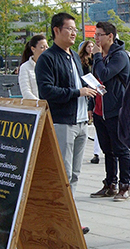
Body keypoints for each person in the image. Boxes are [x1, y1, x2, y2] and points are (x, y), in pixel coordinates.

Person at [35, 12, 97, 204]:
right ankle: (58, 215)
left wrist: (89, 100)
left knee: (75, 174)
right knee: (63, 174)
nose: (73, 33)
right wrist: (77, 93)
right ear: (56, 30)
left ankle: (70, 217)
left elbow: (82, 84)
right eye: (69, 29)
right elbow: (46, 91)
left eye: (75, 29)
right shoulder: (48, 58)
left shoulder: (75, 58)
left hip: (80, 123)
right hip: (62, 122)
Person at [88, 22, 130, 202]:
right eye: (95, 35)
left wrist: (97, 56)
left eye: (99, 35)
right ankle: (110, 184)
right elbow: (95, 81)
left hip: (116, 111)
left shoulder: (119, 56)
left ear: (110, 37)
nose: (96, 38)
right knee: (107, 150)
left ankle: (125, 186)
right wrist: (91, 107)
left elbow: (104, 74)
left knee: (121, 149)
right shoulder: (101, 57)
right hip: (100, 111)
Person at [78, 40, 102, 165]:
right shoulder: (82, 61)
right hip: (90, 93)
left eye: (93, 46)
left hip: (100, 96)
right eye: (89, 46)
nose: (91, 48)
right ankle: (96, 153)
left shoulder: (98, 60)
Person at [18, 34, 48, 99]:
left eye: (47, 47)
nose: (45, 50)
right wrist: (41, 104)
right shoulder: (25, 67)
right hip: (35, 107)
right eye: (42, 47)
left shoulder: (49, 67)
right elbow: (26, 93)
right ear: (33, 49)